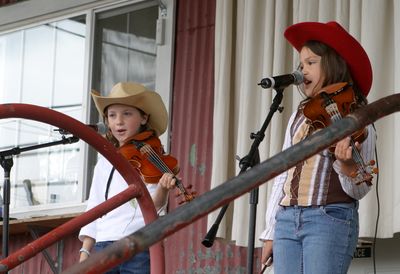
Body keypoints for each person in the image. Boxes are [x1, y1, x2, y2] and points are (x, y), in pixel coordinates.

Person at [259, 21, 376, 274]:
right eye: (301, 65)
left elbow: (361, 188)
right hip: (287, 220)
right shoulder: (298, 116)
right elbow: (283, 174)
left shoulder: (355, 115)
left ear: (334, 64)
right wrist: (271, 232)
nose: (303, 71)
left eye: (311, 63)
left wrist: (347, 164)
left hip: (328, 218)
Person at [78, 82, 177, 273]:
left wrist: (163, 190)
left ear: (144, 118)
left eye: (127, 114)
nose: (119, 121)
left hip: (139, 244)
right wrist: (85, 251)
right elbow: (95, 205)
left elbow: (154, 206)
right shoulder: (105, 161)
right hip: (103, 244)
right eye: (112, 115)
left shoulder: (151, 157)